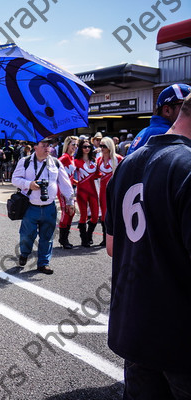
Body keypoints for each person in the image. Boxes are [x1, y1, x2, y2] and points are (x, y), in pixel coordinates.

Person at [105, 93, 191, 399]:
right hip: (180, 337)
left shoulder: (126, 165)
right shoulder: (187, 167)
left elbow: (112, 247)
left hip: (134, 328)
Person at [12, 138, 75, 274]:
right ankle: (24, 253)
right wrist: (29, 184)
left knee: (47, 236)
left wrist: (70, 202)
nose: (48, 148)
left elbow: (65, 184)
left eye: (49, 146)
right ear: (35, 147)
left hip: (49, 207)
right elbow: (14, 179)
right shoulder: (26, 161)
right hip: (30, 206)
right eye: (44, 145)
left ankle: (43, 263)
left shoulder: (56, 163)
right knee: (27, 236)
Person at [127, 83, 191, 155]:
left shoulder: (144, 132)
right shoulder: (168, 135)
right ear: (167, 110)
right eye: (185, 105)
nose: (188, 109)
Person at [73, 137, 99, 247]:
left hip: (93, 191)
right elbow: (68, 175)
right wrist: (77, 183)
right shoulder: (76, 161)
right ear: (80, 148)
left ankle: (89, 235)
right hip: (81, 192)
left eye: (89, 146)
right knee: (83, 215)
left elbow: (98, 175)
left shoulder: (94, 160)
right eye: (84, 147)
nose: (87, 148)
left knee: (95, 215)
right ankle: (84, 239)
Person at [96, 137, 122, 247]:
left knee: (116, 212)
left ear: (110, 147)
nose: (101, 148)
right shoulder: (98, 160)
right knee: (104, 214)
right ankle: (105, 238)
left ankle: (118, 237)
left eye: (104, 146)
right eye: (100, 146)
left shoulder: (118, 159)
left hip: (115, 190)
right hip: (102, 190)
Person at [57, 136, 78, 249]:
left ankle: (65, 237)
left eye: (76, 145)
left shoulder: (71, 158)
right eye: (73, 144)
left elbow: (68, 175)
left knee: (72, 212)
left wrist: (76, 182)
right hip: (62, 189)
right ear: (67, 145)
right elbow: (55, 166)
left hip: (70, 189)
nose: (75, 147)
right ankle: (63, 239)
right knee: (66, 212)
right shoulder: (64, 158)